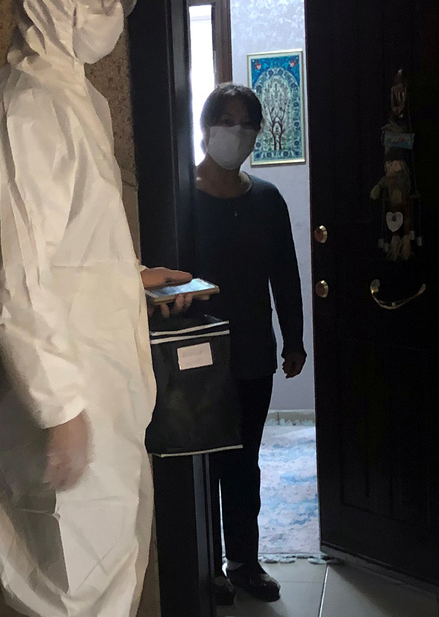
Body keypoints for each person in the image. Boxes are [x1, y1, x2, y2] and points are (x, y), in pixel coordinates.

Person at [0, 0, 192, 617]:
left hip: (101, 392)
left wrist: (129, 279)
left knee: (110, 574)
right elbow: (15, 280)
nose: (110, 7)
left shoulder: (78, 101)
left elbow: (67, 247)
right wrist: (61, 411)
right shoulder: (18, 112)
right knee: (69, 589)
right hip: (58, 399)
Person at [192, 85, 307, 604]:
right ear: (205, 127)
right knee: (203, 463)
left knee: (244, 462)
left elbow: (285, 273)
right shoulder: (180, 195)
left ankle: (243, 561)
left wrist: (294, 340)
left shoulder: (267, 200)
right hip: (196, 359)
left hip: (254, 352)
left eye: (247, 124)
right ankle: (205, 566)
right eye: (227, 121)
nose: (236, 133)